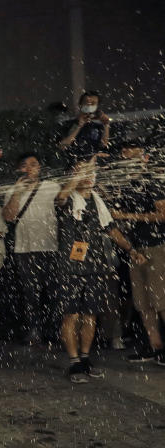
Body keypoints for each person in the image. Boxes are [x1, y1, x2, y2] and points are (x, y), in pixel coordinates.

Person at [54, 159, 145, 383]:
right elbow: (62, 197)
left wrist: (131, 250)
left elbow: (112, 229)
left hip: (95, 265)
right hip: (70, 267)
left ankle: (85, 359)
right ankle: (74, 363)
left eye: (91, 172)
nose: (88, 175)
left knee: (90, 314)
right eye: (83, 171)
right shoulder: (66, 198)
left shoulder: (97, 201)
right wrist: (77, 173)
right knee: (71, 315)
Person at [108, 142, 165, 365]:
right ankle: (155, 347)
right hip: (136, 250)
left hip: (157, 247)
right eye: (124, 156)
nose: (127, 160)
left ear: (144, 158)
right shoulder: (127, 186)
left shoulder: (152, 183)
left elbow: (162, 215)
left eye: (132, 156)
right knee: (143, 303)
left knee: (161, 300)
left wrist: (126, 216)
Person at [2, 152, 62, 343]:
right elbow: (9, 217)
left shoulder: (52, 186)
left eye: (34, 164)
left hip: (50, 247)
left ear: (39, 168)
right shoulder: (12, 190)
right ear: (19, 169)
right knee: (30, 293)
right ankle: (34, 329)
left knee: (54, 290)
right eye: (25, 165)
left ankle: (55, 329)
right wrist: (18, 192)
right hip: (24, 249)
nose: (29, 168)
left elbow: (63, 201)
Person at [59, 91, 111, 159]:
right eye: (86, 103)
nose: (89, 106)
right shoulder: (68, 124)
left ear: (97, 107)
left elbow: (104, 144)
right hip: (75, 163)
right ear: (80, 105)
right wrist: (78, 126)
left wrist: (106, 125)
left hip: (92, 163)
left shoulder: (97, 126)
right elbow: (62, 146)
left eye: (93, 103)